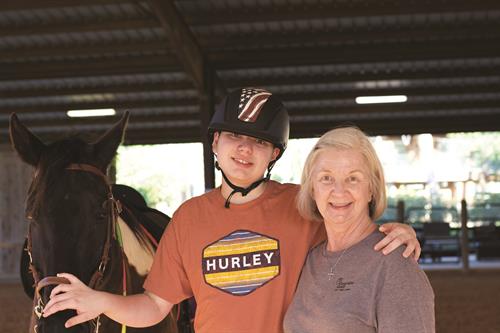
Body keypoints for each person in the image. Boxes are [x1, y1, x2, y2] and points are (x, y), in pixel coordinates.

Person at [43, 88, 421, 333]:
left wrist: (396, 230)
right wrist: (100, 301)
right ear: (215, 143)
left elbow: (348, 216)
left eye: (258, 141)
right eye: (235, 137)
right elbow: (155, 305)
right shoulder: (189, 218)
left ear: (274, 154)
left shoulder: (302, 205)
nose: (244, 149)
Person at [283, 126, 435, 333]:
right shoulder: (310, 257)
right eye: (326, 178)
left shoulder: (394, 263)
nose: (339, 190)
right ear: (311, 188)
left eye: (353, 178)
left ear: (371, 188)